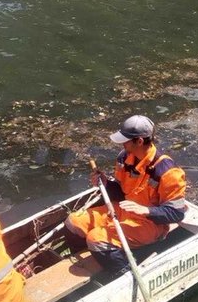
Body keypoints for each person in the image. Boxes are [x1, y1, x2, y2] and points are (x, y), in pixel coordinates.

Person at [65, 115, 188, 273]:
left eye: (126, 140)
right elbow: (120, 192)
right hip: (124, 211)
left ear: (139, 141)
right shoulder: (124, 158)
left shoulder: (168, 171)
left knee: (97, 239)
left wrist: (147, 210)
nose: (122, 144)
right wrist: (105, 183)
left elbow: (176, 214)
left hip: (150, 224)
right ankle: (92, 258)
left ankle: (124, 272)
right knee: (73, 222)